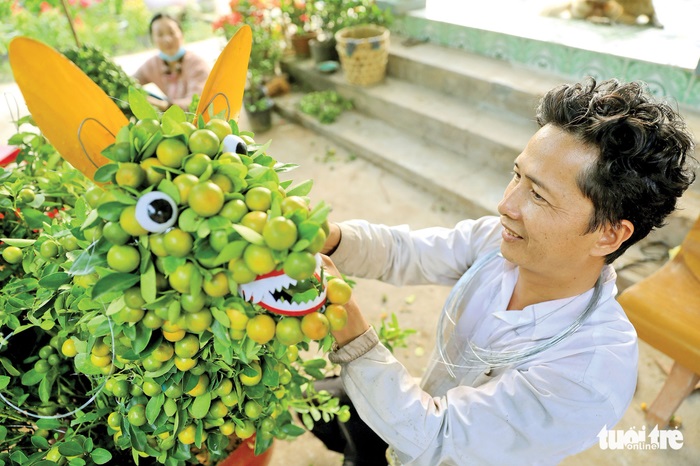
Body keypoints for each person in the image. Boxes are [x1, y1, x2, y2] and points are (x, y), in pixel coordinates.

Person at [316, 78, 697, 466]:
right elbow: (405, 252)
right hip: (414, 418)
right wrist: (330, 239)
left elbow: (436, 436)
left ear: (609, 234)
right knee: (329, 404)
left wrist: (354, 336)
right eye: (517, 175)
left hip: (439, 445)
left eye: (537, 194)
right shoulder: (503, 245)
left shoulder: (590, 374)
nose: (505, 205)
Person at [133, 13, 211, 112]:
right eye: (160, 34)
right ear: (153, 39)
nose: (167, 40)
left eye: (172, 32)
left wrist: (163, 105)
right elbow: (130, 83)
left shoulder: (196, 64)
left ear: (181, 34)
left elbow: (196, 104)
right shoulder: (153, 65)